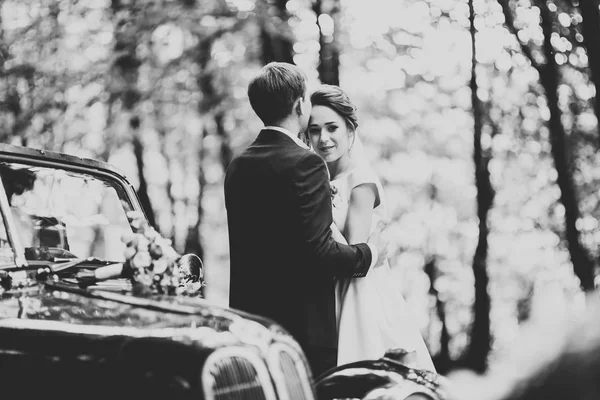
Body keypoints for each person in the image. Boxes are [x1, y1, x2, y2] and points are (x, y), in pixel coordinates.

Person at [224, 62, 389, 377]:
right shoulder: (307, 164)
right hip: (303, 331)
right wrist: (371, 252)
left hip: (249, 325)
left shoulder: (238, 167)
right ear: (301, 105)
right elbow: (321, 252)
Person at [307, 84, 435, 371]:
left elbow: (355, 257)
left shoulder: (360, 181)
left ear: (350, 131)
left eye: (332, 128)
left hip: (359, 297)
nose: (323, 138)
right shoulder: (318, 180)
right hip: (329, 296)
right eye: (314, 130)